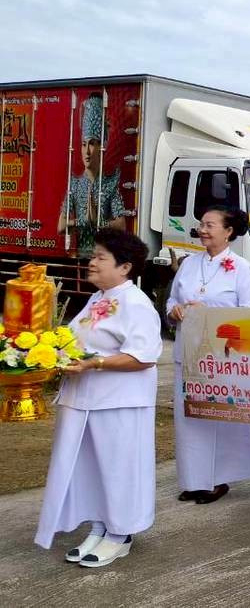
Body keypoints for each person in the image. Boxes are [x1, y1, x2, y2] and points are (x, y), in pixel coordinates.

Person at [36, 228, 162, 567]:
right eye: (92, 256)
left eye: (100, 258)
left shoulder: (136, 303)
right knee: (91, 468)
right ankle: (99, 526)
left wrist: (95, 363)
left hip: (119, 402)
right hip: (84, 401)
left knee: (119, 468)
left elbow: (143, 357)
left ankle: (121, 534)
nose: (91, 262)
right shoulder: (98, 298)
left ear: (125, 267)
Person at [166, 206, 250, 505]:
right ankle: (194, 480)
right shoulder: (189, 264)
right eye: (201, 224)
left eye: (210, 225)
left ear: (228, 231)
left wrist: (211, 314)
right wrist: (174, 310)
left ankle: (218, 478)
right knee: (189, 416)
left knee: (219, 416)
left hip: (222, 356)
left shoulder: (242, 268)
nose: (203, 230)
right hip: (188, 351)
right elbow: (172, 298)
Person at [57, 93, 126, 256]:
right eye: (84, 144)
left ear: (101, 147)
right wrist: (83, 222)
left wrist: (99, 222)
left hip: (103, 256)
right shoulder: (75, 185)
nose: (87, 151)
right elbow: (61, 226)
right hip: (81, 254)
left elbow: (121, 225)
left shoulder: (109, 185)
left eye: (92, 144)